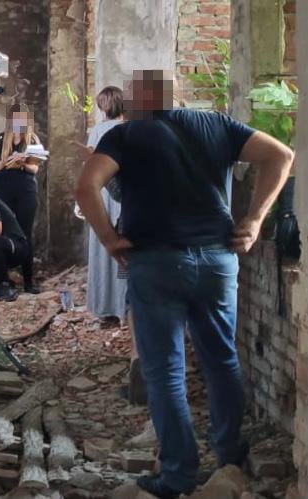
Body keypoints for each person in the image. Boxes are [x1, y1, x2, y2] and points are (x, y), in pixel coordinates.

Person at [76, 69, 294, 498]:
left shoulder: (125, 135)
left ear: (135, 101)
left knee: (165, 372)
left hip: (156, 262)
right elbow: (281, 155)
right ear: (172, 95)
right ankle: (229, 455)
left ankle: (177, 474)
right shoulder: (217, 124)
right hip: (217, 261)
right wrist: (253, 220)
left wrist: (110, 240)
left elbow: (87, 187)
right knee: (222, 360)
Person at [0, 103, 44, 294]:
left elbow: (35, 168)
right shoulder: (2, 138)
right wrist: (6, 161)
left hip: (25, 191)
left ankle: (28, 281)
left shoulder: (33, 139)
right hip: (3, 190)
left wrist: (22, 162)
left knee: (25, 234)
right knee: (1, 232)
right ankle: (2, 280)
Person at [85, 86, 127, 322]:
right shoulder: (130, 127)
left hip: (105, 192)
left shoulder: (100, 130)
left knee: (106, 246)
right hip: (125, 192)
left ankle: (106, 306)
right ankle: (125, 307)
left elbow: (90, 167)